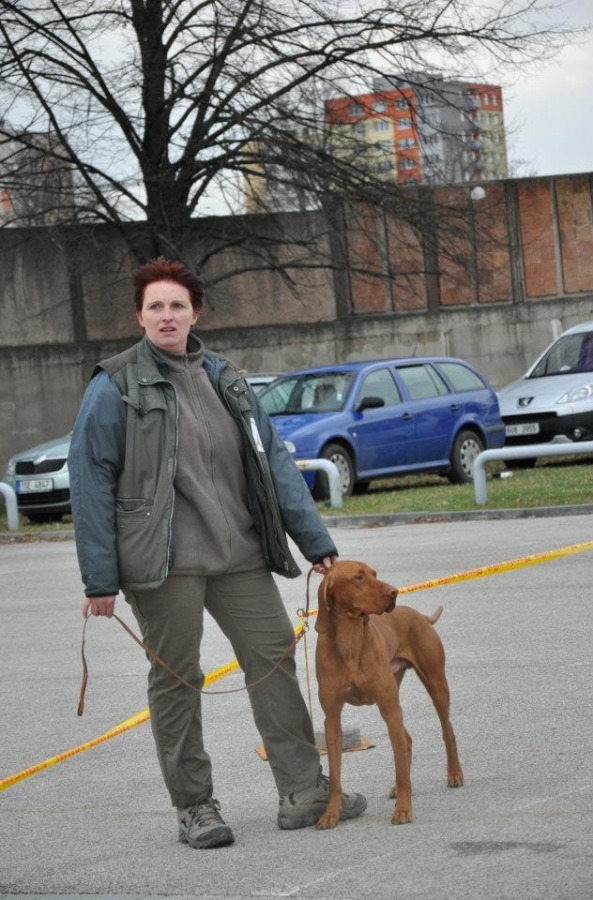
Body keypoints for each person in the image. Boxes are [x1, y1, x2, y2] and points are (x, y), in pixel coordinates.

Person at [68, 257, 366, 849]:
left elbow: (273, 461)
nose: (167, 316)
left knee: (275, 660)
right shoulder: (115, 384)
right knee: (177, 679)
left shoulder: (227, 378)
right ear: (139, 316)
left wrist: (316, 542)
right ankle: (195, 807)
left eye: (177, 305)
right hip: (164, 561)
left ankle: (303, 792)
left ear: (195, 313)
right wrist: (99, 578)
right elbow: (90, 478)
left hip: (240, 554)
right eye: (155, 306)